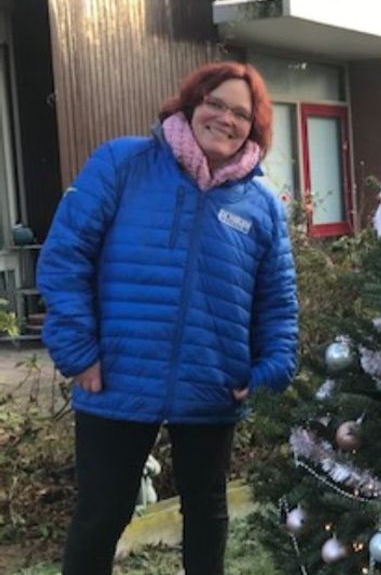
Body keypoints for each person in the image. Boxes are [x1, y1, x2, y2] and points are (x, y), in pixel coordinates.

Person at [37, 61, 299, 574]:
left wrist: (266, 372)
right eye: (215, 103)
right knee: (101, 515)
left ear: (254, 127)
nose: (225, 119)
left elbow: (278, 304)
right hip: (115, 376)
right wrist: (77, 352)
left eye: (241, 114)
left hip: (212, 383)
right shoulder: (123, 163)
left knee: (207, 513)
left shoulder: (261, 207)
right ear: (190, 103)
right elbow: (66, 255)